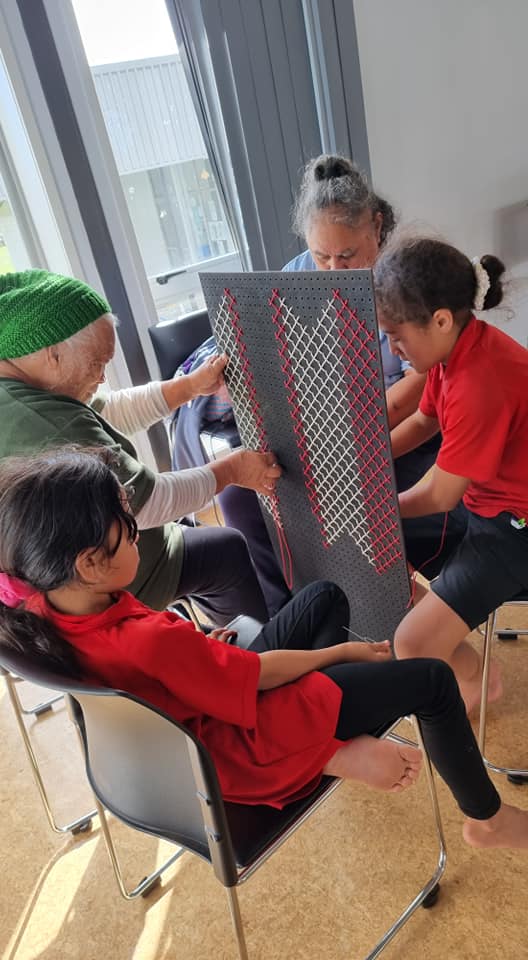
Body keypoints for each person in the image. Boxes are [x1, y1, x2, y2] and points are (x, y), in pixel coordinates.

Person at [1, 451, 528, 850]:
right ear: (91, 562)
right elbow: (255, 676)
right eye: (132, 531)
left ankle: (335, 735)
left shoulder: (44, 606)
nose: (142, 539)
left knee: (323, 598)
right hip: (241, 747)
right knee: (430, 681)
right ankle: (485, 818)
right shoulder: (149, 640)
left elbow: (175, 671)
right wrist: (338, 657)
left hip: (198, 721)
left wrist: (200, 653)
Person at [173, 155, 442, 614]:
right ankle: (293, 624)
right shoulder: (298, 273)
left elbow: (421, 388)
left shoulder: (410, 279)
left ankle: (378, 615)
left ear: (376, 228)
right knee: (240, 495)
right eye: (322, 255)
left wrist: (352, 448)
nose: (333, 271)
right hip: (318, 435)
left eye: (347, 256)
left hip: (397, 437)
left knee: (338, 514)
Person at [0, 269, 283, 626]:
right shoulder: (41, 417)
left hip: (70, 571)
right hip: (93, 586)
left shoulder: (21, 388)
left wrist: (191, 386)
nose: (103, 376)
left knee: (196, 522)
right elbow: (144, 503)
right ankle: (254, 653)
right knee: (225, 552)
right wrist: (233, 470)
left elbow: (106, 411)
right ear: (50, 353)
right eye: (97, 363)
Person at [373, 236, 528, 712]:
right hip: (483, 506)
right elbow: (424, 421)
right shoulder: (451, 355)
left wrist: (375, 507)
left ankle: (476, 678)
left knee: (412, 645)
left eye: (398, 337)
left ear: (440, 319)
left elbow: (440, 494)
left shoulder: (480, 380)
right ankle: (465, 663)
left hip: (514, 529)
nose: (394, 350)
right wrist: (370, 468)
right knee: (372, 552)